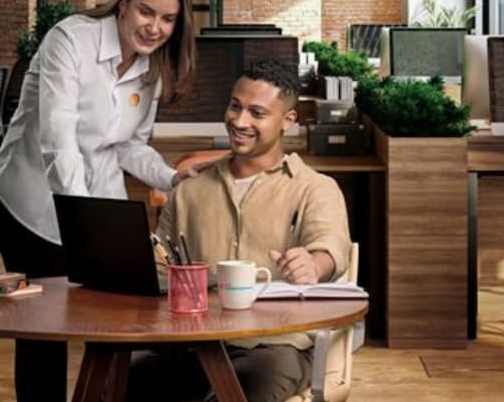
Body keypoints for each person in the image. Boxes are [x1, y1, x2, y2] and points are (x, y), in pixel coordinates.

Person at [0, 0, 200, 402]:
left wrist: (172, 176)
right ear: (123, 3)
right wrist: (84, 219)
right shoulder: (70, 39)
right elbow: (56, 142)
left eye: (167, 19)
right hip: (32, 202)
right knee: (45, 328)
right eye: (146, 11)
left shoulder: (150, 70)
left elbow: (128, 145)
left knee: (121, 317)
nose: (154, 27)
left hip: (99, 203)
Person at [127, 59, 352, 402]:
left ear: (288, 122)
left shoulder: (315, 188)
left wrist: (313, 264)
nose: (239, 120)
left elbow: (329, 248)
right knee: (123, 380)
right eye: (235, 106)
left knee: (242, 392)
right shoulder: (191, 188)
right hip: (193, 345)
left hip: (274, 348)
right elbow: (159, 268)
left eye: (257, 113)